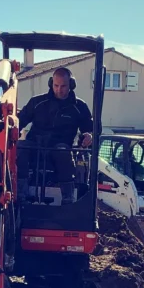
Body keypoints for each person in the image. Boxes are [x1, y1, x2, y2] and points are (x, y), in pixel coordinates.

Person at [17, 67, 93, 204]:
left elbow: (90, 129)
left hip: (61, 149)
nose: (59, 90)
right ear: (51, 83)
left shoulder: (79, 107)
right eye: (56, 85)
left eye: (63, 86)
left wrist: (89, 136)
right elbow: (19, 122)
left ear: (71, 85)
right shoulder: (36, 102)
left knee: (62, 151)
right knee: (20, 147)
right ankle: (20, 194)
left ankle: (68, 198)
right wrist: (11, 130)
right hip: (35, 147)